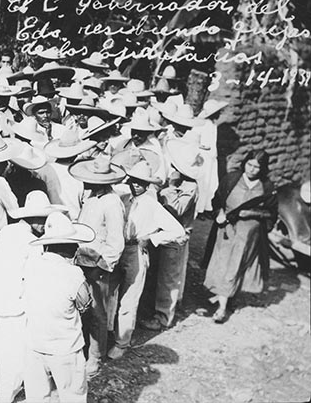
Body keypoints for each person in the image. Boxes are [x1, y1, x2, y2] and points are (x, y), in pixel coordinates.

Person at [0, 191, 63, 403]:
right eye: (42, 220)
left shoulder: (6, 231)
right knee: (13, 354)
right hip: (16, 303)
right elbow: (34, 277)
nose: (44, 225)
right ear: (33, 218)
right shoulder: (34, 242)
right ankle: (4, 396)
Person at [108, 161, 185, 360]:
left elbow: (178, 231)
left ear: (148, 184)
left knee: (129, 298)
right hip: (118, 248)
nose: (136, 185)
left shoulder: (152, 205)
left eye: (141, 182)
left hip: (135, 251)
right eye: (133, 180)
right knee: (110, 293)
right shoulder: (121, 198)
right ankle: (108, 333)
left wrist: (151, 238)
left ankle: (122, 342)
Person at [22, 212, 95, 403]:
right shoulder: (73, 273)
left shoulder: (31, 266)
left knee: (37, 397)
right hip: (65, 348)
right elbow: (85, 305)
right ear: (71, 248)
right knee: (73, 396)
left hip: (34, 344)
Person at [204, 150, 276, 323]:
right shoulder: (231, 179)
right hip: (227, 229)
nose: (251, 169)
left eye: (256, 167)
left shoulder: (267, 187)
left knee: (236, 264)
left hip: (249, 234)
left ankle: (223, 305)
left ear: (263, 169)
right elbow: (217, 200)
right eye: (249, 165)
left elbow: (272, 213)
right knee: (223, 263)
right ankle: (224, 299)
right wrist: (219, 213)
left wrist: (252, 213)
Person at [69, 156, 125, 377]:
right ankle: (83, 349)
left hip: (97, 264)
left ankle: (95, 356)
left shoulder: (112, 203)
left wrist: (102, 266)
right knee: (83, 309)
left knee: (97, 312)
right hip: (82, 259)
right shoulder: (91, 197)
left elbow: (116, 241)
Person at [141, 138, 200, 331]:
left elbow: (175, 210)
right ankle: (154, 310)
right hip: (162, 233)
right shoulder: (176, 182)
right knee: (157, 274)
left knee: (169, 278)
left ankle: (164, 317)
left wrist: (169, 189)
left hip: (175, 238)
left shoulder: (189, 187)